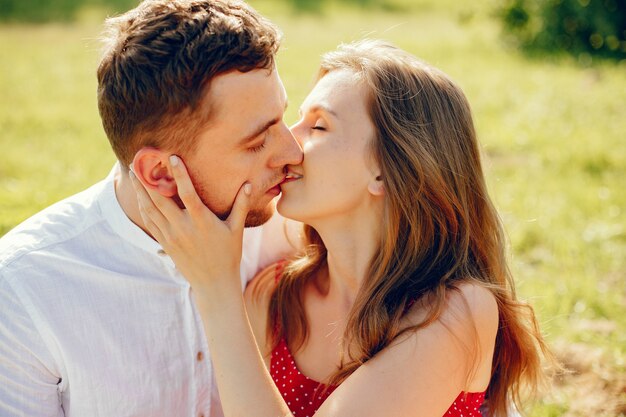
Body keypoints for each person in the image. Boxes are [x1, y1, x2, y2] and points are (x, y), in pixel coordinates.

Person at [132, 39, 552, 417]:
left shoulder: (456, 310)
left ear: (386, 172)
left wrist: (216, 290)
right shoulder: (275, 297)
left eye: (318, 126)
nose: (288, 145)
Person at [0, 1, 302, 416]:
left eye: (282, 119)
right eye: (256, 142)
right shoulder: (23, 292)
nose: (293, 152)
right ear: (160, 173)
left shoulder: (295, 226)